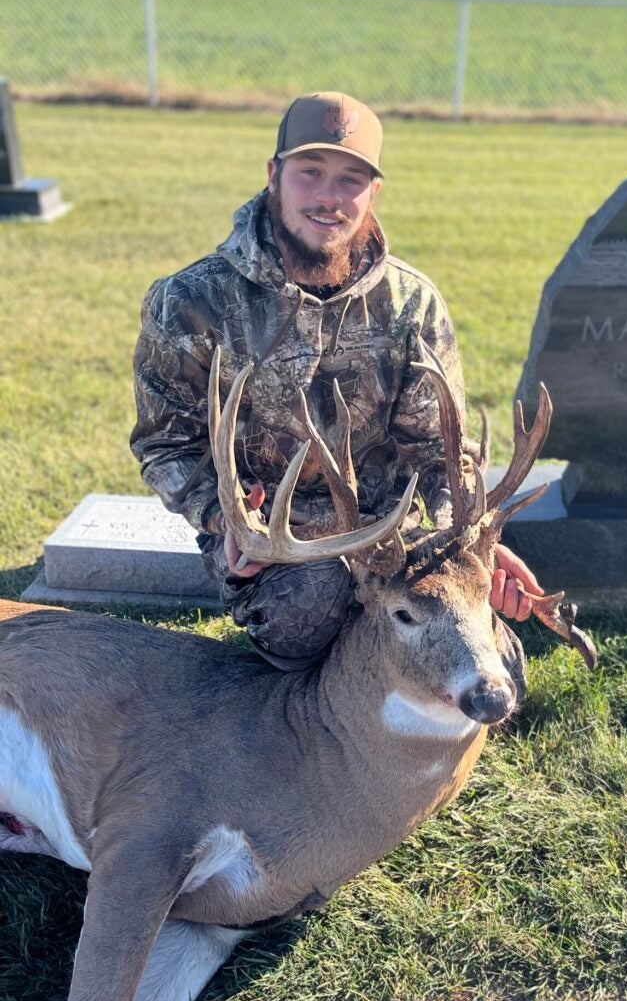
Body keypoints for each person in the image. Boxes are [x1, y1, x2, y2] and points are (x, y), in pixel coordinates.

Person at [131, 90, 540, 669]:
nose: (329, 197)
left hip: (393, 541)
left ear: (374, 191)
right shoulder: (192, 301)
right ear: (273, 175)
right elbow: (165, 443)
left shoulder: (412, 304)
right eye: (310, 172)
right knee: (310, 613)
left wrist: (465, 546)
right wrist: (227, 523)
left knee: (506, 674)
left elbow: (440, 454)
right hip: (275, 545)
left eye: (351, 179)